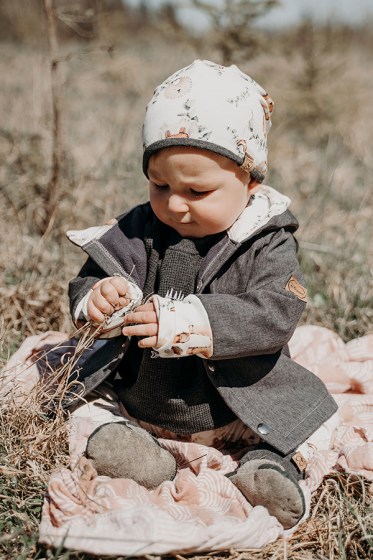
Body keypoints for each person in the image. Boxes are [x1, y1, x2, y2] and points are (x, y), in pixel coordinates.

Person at [66, 60, 338, 529]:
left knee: (312, 423)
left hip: (238, 404)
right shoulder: (137, 230)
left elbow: (277, 311)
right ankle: (136, 452)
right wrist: (98, 302)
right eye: (160, 184)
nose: (174, 203)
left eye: (197, 190)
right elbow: (89, 277)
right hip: (141, 399)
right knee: (82, 409)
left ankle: (268, 467)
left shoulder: (265, 241)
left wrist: (188, 323)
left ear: (250, 182)